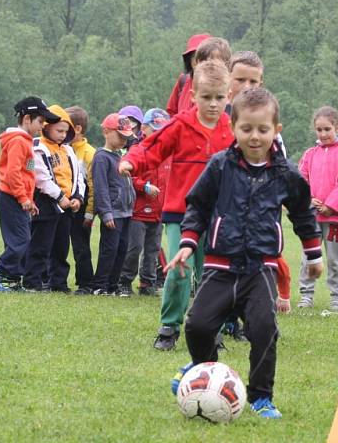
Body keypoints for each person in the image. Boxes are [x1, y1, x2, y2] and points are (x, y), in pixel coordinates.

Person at [166, 87, 323, 419]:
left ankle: (262, 396)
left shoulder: (285, 174)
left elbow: (303, 213)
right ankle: (202, 372)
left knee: (264, 330)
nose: (255, 136)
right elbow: (198, 206)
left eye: (263, 129)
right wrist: (187, 242)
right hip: (220, 266)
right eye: (246, 129)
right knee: (197, 326)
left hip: (260, 269)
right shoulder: (220, 166)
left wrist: (314, 253)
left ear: (276, 130)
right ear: (233, 127)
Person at [120, 60, 235, 350]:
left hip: (219, 215)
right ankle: (169, 328)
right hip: (180, 213)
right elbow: (152, 147)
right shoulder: (180, 125)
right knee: (179, 269)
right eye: (206, 97)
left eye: (219, 98)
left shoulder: (232, 129)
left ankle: (213, 328)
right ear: (193, 95)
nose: (212, 104)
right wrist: (132, 161)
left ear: (229, 96)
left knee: (214, 272)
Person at [0, 97, 60, 293]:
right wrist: (23, 198)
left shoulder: (26, 142)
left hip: (19, 198)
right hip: (11, 198)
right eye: (40, 122)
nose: (42, 126)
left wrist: (29, 199)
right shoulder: (18, 141)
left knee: (23, 239)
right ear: (27, 119)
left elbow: (27, 173)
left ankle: (12, 280)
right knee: (20, 241)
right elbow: (13, 173)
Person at [297, 106, 338, 311]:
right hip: (311, 217)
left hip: (334, 218)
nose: (323, 134)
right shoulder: (309, 154)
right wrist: (309, 200)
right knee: (308, 257)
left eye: (327, 129)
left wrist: (330, 206)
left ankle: (336, 297)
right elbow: (301, 179)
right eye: (319, 130)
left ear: (337, 127)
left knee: (334, 259)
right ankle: (306, 294)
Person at [23, 105, 85, 293]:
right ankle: (33, 281)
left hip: (67, 206)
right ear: (46, 127)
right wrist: (58, 197)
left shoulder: (68, 150)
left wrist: (77, 197)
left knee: (61, 246)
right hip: (46, 204)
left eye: (66, 131)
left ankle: (58, 282)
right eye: (59, 130)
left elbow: (78, 176)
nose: (62, 134)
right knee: (40, 245)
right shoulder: (37, 147)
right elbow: (39, 176)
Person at [118, 108, 171, 297]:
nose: (158, 134)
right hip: (138, 209)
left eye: (162, 130)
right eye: (155, 129)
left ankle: (147, 283)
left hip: (159, 210)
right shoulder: (137, 150)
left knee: (153, 249)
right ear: (145, 128)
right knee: (135, 248)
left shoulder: (168, 152)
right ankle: (125, 280)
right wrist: (144, 186)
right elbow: (127, 176)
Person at [85, 114, 135, 295]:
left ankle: (113, 285)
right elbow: (101, 187)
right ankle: (100, 285)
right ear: (106, 131)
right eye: (120, 136)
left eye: (126, 137)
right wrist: (106, 212)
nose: (124, 140)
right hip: (113, 213)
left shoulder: (120, 157)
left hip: (126, 211)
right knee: (110, 249)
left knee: (122, 249)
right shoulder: (101, 157)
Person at [66, 105, 97, 293]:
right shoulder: (61, 148)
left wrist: (90, 212)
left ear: (77, 128)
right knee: (57, 244)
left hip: (82, 207)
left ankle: (86, 283)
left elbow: (93, 186)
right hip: (62, 203)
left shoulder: (89, 153)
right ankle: (54, 279)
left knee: (80, 246)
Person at [166, 33, 211, 116]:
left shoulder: (222, 85)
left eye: (203, 57)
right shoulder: (183, 81)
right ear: (189, 60)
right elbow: (171, 112)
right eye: (195, 56)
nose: (199, 61)